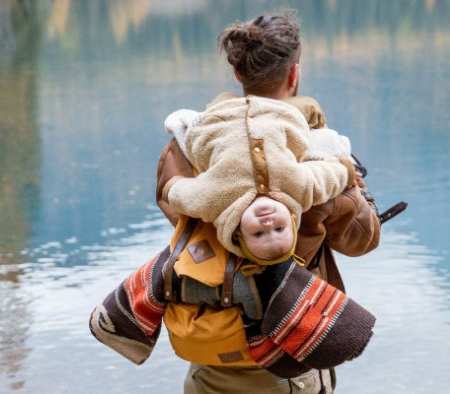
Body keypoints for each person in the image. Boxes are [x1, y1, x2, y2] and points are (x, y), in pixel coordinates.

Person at [156, 10, 381, 394]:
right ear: (294, 74)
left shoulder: (190, 143)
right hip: (287, 354)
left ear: (238, 74)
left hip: (209, 349)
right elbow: (361, 241)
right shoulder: (317, 150)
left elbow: (175, 206)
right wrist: (352, 187)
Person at [161, 95, 356, 266]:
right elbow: (326, 177)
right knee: (309, 106)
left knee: (223, 98)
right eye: (280, 229)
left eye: (258, 234)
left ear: (238, 232)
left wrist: (171, 187)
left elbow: (185, 195)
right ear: (292, 220)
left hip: (219, 119)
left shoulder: (215, 201)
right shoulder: (300, 189)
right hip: (278, 115)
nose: (268, 224)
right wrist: (346, 170)